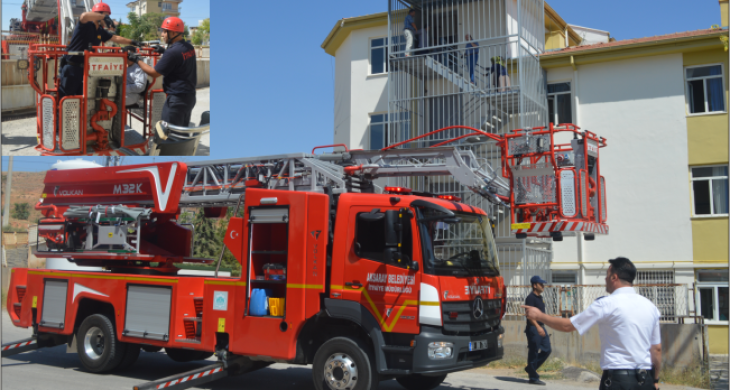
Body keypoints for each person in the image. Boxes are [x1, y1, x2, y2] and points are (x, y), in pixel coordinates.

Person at [523, 257, 662, 390]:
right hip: (645, 379)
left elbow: (567, 325)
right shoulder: (650, 306)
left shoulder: (606, 304)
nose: (605, 279)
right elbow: (656, 349)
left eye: (607, 275)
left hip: (618, 380)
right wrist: (655, 381)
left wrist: (539, 316)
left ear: (614, 277)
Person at [58, 2, 140, 100]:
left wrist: (133, 42)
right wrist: (103, 17)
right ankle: (60, 115)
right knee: (67, 98)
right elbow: (84, 16)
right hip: (72, 67)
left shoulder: (100, 30)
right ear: (98, 14)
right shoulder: (86, 24)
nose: (108, 18)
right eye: (107, 15)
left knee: (82, 99)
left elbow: (115, 37)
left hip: (86, 69)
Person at [129, 17, 197, 127]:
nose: (162, 35)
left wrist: (137, 60)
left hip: (176, 100)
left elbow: (154, 72)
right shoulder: (189, 47)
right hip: (189, 97)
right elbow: (178, 58)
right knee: (181, 131)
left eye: (165, 31)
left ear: (174, 32)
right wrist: (163, 51)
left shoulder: (172, 52)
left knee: (169, 134)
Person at [524, 275, 551, 385]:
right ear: (535, 285)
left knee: (547, 350)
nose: (543, 286)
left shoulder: (539, 298)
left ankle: (531, 368)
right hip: (534, 328)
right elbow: (529, 316)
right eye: (541, 284)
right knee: (534, 352)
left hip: (541, 327)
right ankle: (533, 377)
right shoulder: (530, 298)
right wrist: (538, 327)